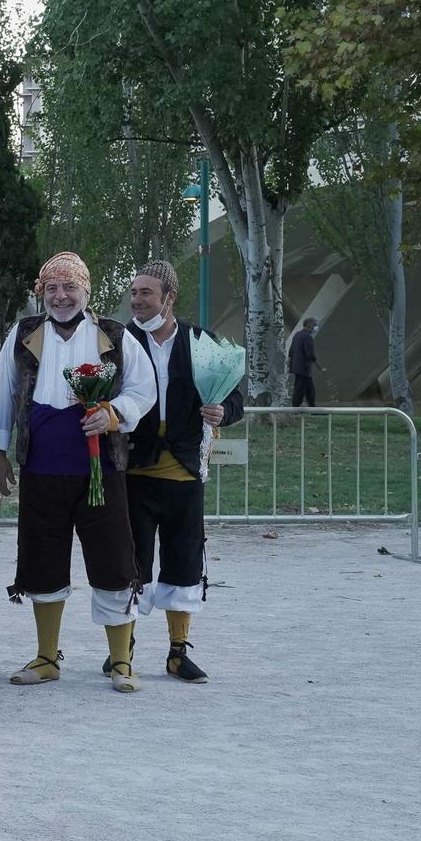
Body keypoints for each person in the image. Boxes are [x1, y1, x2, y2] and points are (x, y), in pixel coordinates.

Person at [0, 252, 158, 692]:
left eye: (70, 288)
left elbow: (144, 389)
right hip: (42, 466)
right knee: (41, 558)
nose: (61, 297)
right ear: (41, 293)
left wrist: (114, 413)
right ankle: (47, 657)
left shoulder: (116, 336)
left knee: (114, 559)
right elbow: (2, 394)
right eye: (52, 289)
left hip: (102, 468)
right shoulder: (24, 334)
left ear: (87, 291)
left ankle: (121, 661)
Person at [125, 261, 244, 683]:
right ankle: (123, 650)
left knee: (184, 561)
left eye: (146, 293)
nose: (137, 301)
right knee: (131, 563)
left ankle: (178, 652)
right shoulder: (120, 341)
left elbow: (236, 401)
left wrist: (222, 411)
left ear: (169, 297)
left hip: (185, 471)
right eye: (134, 293)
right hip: (134, 470)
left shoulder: (201, 341)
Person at [288, 317, 324, 407]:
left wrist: (290, 364)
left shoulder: (297, 335)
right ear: (309, 325)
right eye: (314, 325)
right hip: (303, 368)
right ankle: (295, 409)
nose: (316, 327)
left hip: (297, 367)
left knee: (309, 389)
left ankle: (312, 408)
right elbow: (310, 354)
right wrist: (320, 367)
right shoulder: (308, 337)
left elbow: (291, 350)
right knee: (300, 390)